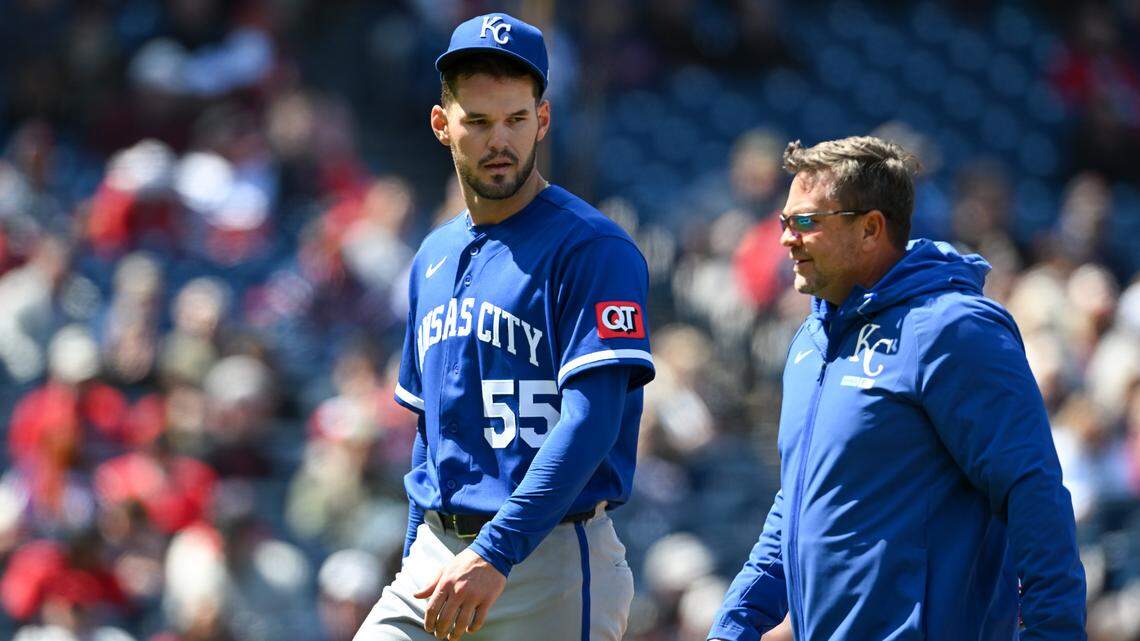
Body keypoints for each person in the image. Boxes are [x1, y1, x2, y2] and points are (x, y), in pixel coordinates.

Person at [709, 136, 1086, 641]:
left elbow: (1031, 489)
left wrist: (1054, 632)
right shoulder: (809, 343)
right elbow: (797, 503)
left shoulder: (953, 329)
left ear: (870, 228)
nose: (785, 239)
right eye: (784, 221)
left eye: (805, 222)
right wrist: (734, 625)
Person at [352, 12, 654, 641]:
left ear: (543, 120)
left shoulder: (593, 248)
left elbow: (593, 419)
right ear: (443, 125)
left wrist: (497, 550)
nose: (501, 141)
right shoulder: (432, 256)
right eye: (480, 121)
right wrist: (416, 547)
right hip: (438, 556)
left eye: (517, 119)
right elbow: (429, 431)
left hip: (547, 556)